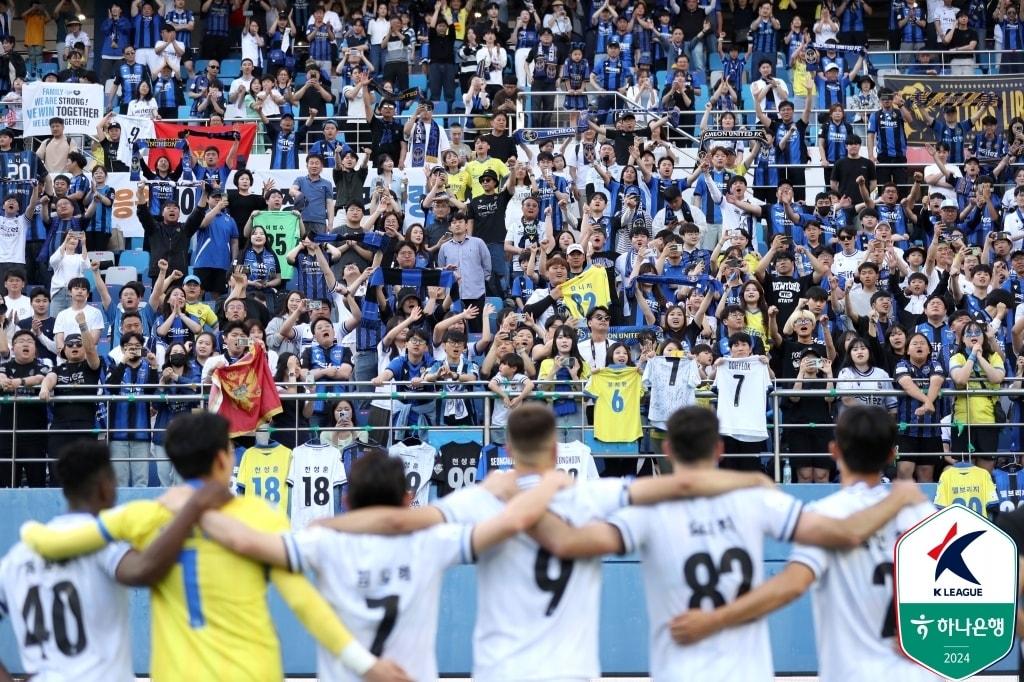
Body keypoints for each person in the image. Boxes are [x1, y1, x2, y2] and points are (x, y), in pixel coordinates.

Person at [304, 403, 787, 681]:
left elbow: (401, 522)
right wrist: (752, 483)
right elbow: (679, 484)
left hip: (501, 668)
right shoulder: (590, 496)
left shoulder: (480, 498)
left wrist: (327, 527)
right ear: (557, 450)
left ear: (508, 448)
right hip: (571, 669)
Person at [528, 405, 927, 680]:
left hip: (680, 670)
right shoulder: (757, 500)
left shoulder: (646, 510)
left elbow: (566, 542)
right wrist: (900, 495)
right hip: (752, 672)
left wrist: (520, 500)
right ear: (720, 449)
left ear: (666, 450)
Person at [19, 412, 411, 681]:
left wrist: (28, 532)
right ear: (225, 459)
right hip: (253, 671)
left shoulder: (145, 515)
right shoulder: (262, 516)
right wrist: (364, 664)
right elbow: (305, 603)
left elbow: (54, 542)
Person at [158, 449, 570, 682]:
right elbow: (514, 520)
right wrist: (546, 483)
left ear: (347, 501)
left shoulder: (325, 542)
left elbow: (242, 540)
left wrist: (192, 506)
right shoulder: (433, 540)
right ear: (408, 500)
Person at [668, 406, 938, 682]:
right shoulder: (924, 514)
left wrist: (714, 620)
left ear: (834, 451)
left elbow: (793, 585)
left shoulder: (827, 514)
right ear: (893, 454)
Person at [0, 440, 231, 680]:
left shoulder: (18, 557)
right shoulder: (101, 545)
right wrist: (192, 509)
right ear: (105, 488)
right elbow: (144, 569)